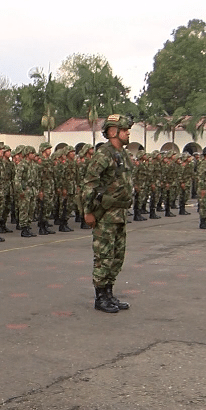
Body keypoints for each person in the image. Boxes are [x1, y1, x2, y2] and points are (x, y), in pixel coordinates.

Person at [82, 114, 135, 314]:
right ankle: (100, 297)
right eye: (124, 130)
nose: (128, 133)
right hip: (105, 215)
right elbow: (89, 184)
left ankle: (109, 292)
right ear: (113, 132)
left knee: (117, 256)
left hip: (119, 214)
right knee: (104, 256)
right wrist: (88, 211)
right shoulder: (104, 154)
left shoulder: (124, 154)